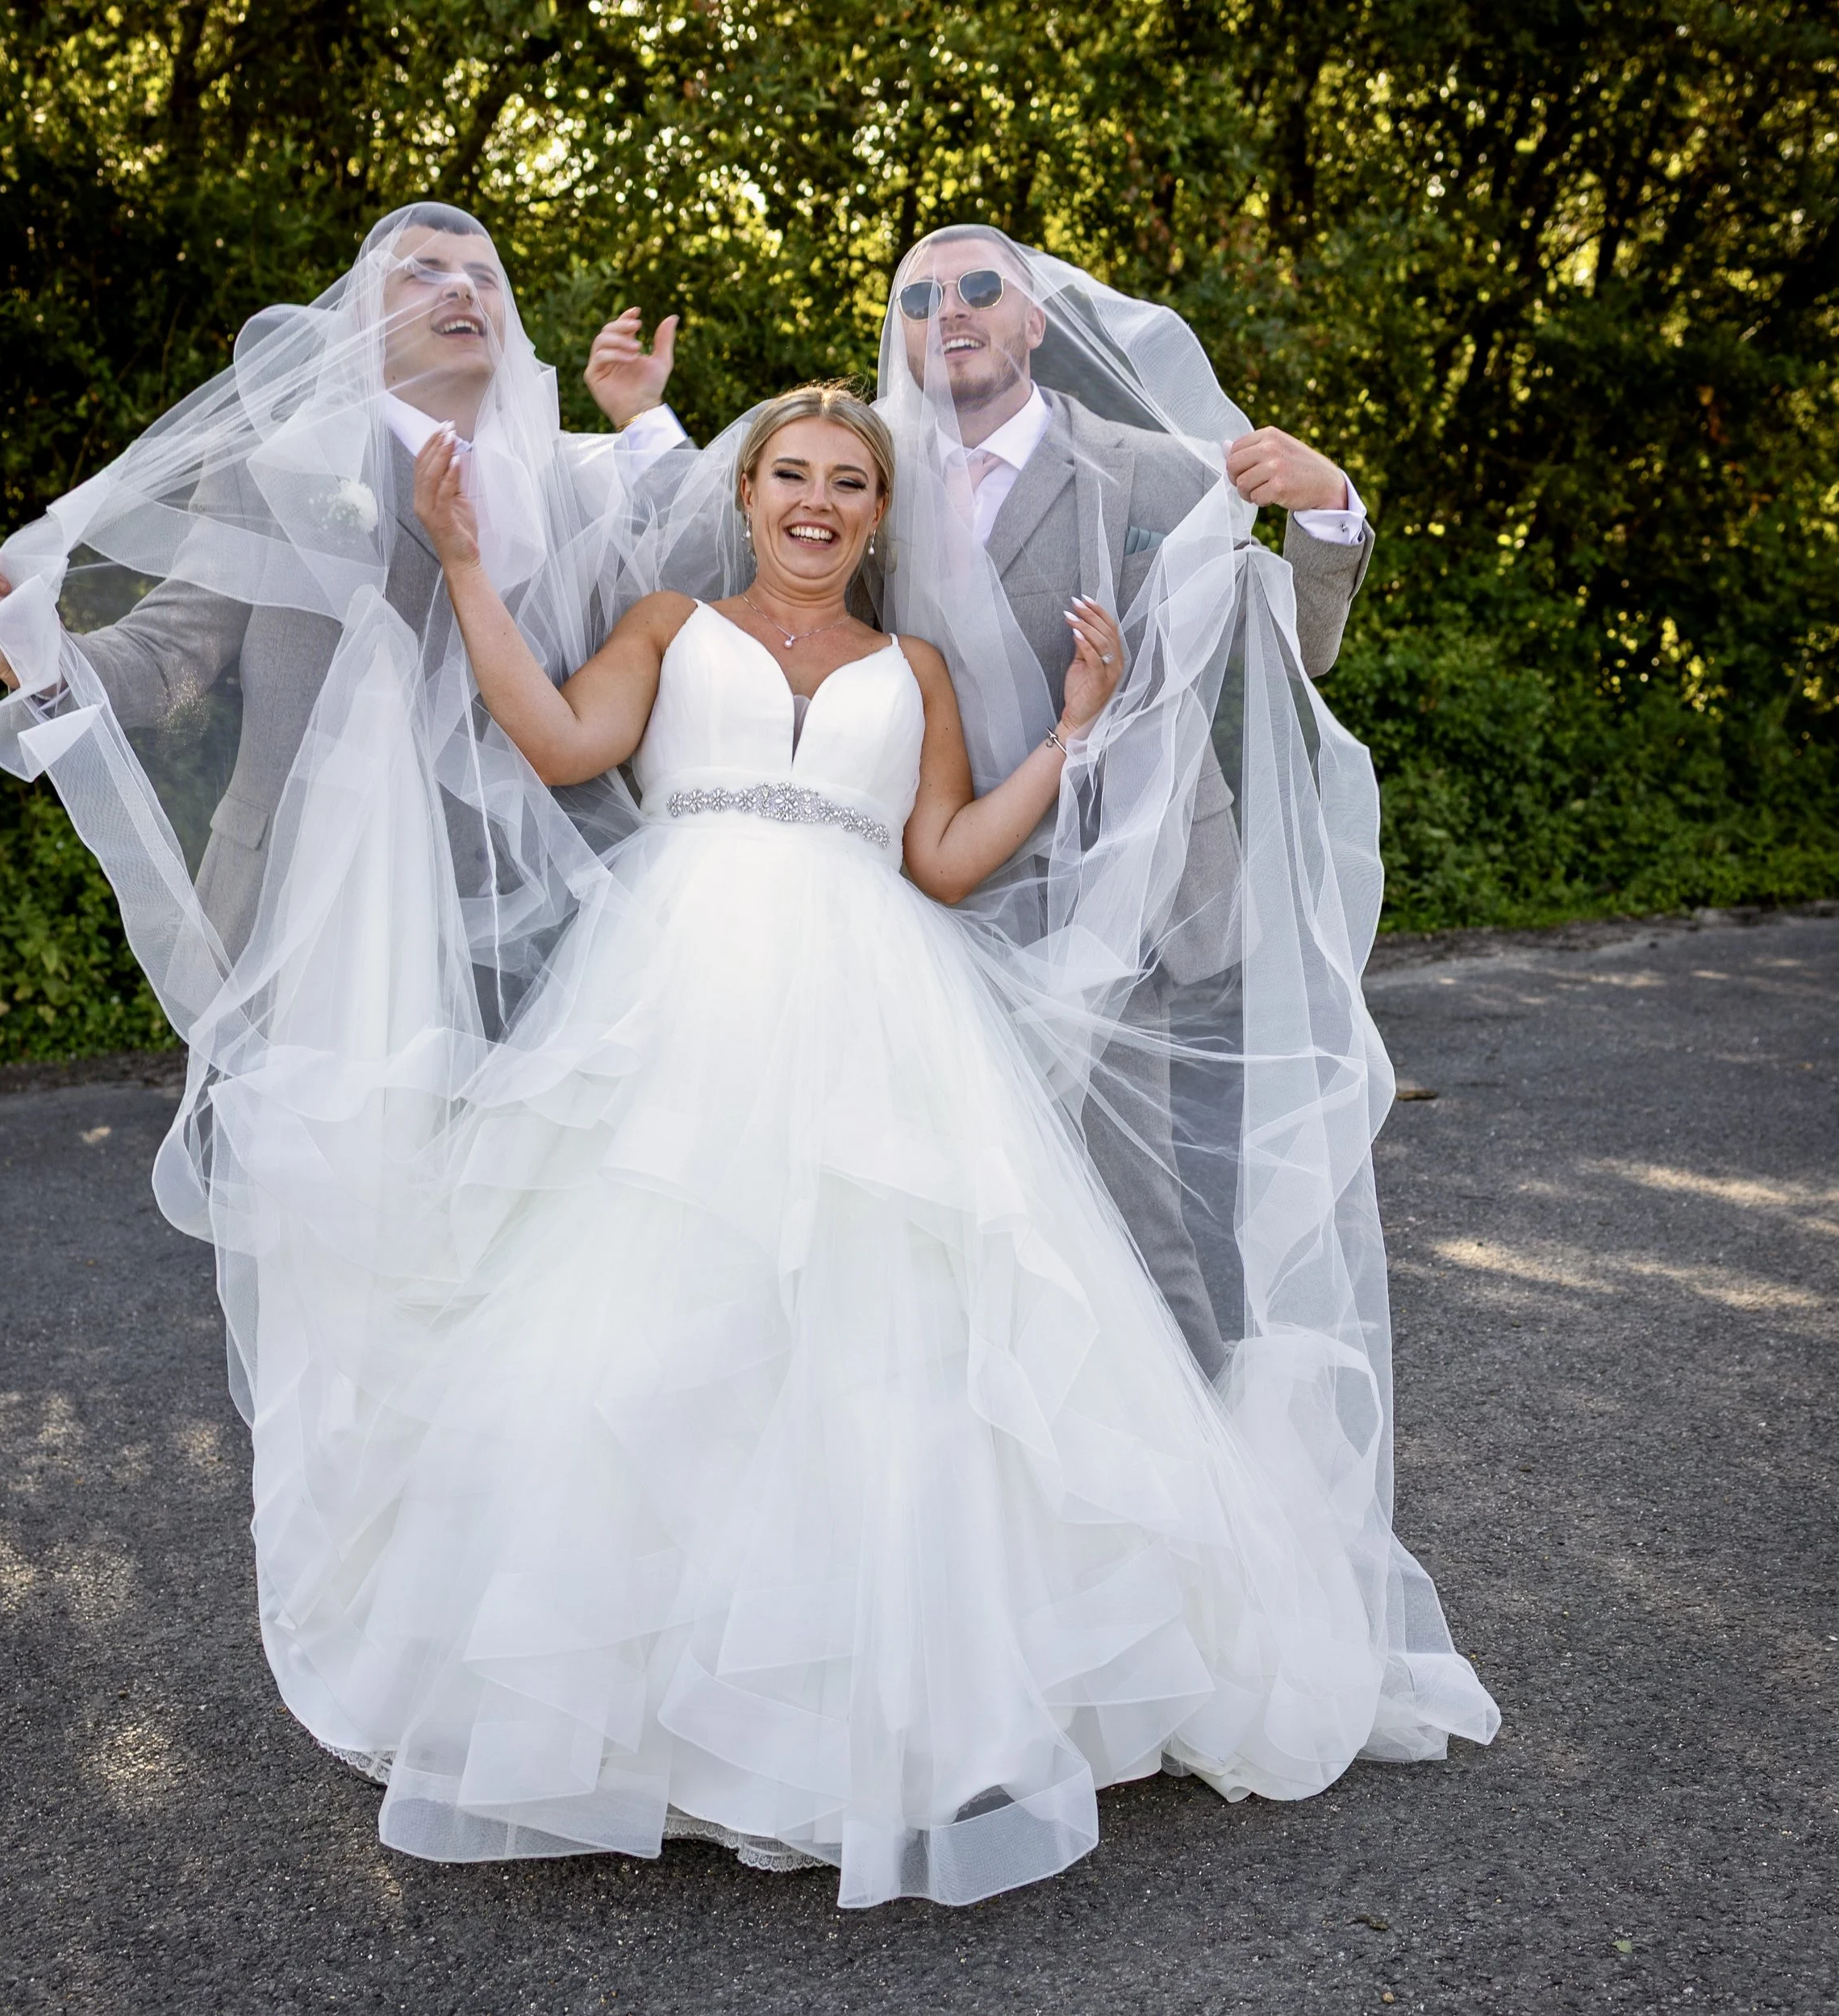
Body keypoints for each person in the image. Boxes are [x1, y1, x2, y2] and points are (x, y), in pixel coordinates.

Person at [165, 381, 1497, 1910]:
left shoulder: (912, 664)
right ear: (746, 495)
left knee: (894, 1329)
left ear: (877, 514)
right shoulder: (669, 628)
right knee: (646, 1317)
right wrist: (465, 563)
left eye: (849, 482)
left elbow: (939, 859)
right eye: (790, 475)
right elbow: (555, 740)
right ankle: (638, 1705)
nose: (816, 501)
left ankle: (886, 1703)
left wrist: (1065, 737)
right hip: (678, 997)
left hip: (879, 1009)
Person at [873, 224, 1374, 1375]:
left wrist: (1329, 505)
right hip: (932, 894)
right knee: (949, 1211)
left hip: (1134, 899)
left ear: (1036, 320)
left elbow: (1294, 642)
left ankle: (1210, 1505)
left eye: (981, 286)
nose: (949, 309)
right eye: (920, 297)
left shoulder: (1154, 471)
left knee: (1146, 1229)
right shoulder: (869, 482)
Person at [0, 201, 686, 966]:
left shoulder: (570, 491)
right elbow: (170, 656)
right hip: (289, 907)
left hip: (504, 918)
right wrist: (48, 662)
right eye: (425, 274)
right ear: (361, 319)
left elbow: (706, 580)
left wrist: (643, 417)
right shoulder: (274, 468)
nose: (464, 291)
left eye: (485, 278)